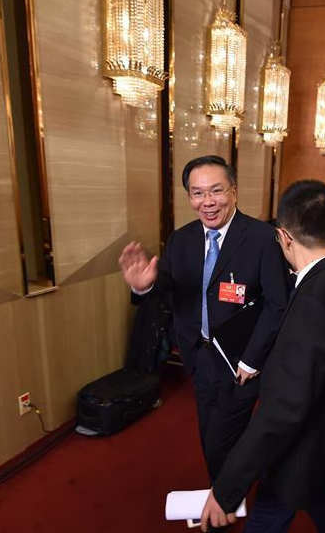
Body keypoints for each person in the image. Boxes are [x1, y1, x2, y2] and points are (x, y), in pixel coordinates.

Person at [200, 180, 325, 533]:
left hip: (300, 451)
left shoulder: (311, 299)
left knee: (269, 519)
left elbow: (282, 411)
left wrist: (226, 489)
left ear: (285, 237)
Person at [118, 155, 289, 481]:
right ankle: (225, 493)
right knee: (209, 433)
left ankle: (222, 503)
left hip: (241, 363)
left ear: (234, 192)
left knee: (219, 443)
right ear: (189, 198)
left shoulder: (261, 239)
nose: (207, 202)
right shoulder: (181, 240)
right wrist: (145, 285)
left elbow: (277, 305)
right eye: (197, 193)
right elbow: (164, 284)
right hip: (199, 357)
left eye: (216, 191)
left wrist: (252, 361)